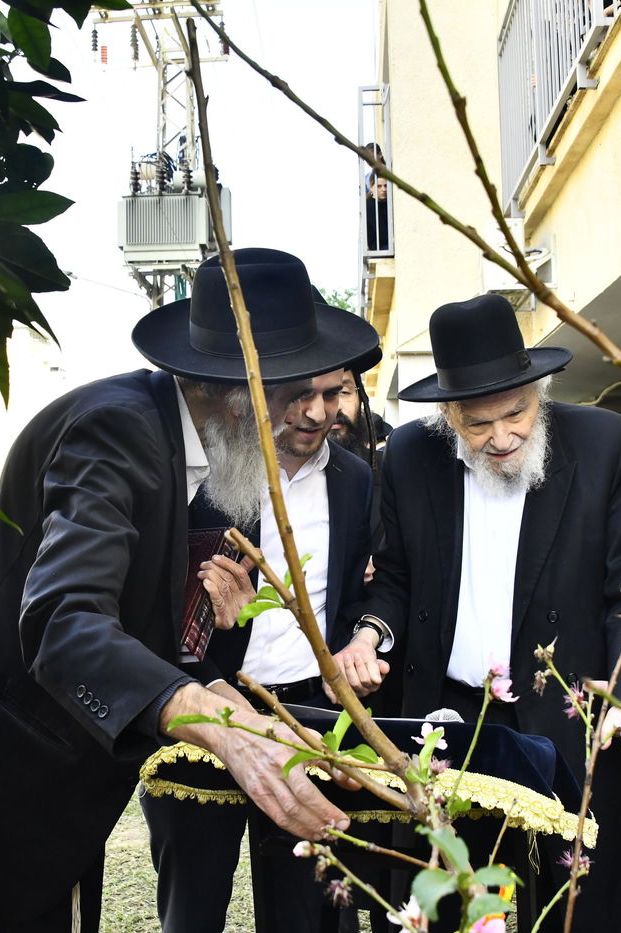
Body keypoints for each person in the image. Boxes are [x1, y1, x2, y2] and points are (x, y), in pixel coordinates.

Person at [0, 248, 383, 933]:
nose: (309, 413)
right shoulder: (115, 428)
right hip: (5, 770)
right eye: (291, 392)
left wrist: (229, 702)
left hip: (74, 771)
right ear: (236, 390)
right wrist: (217, 727)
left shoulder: (217, 455)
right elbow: (65, 622)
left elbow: (147, 616)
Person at [331, 294, 621, 933]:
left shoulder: (605, 445)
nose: (502, 437)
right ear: (447, 414)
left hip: (575, 725)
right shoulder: (407, 456)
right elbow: (395, 578)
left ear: (539, 390)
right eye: (477, 423)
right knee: (452, 905)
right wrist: (371, 634)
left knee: (582, 909)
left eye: (516, 413)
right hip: (450, 723)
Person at [141, 362, 377, 933]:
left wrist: (364, 636)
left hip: (308, 718)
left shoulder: (357, 479)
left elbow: (368, 587)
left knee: (310, 905)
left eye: (332, 393)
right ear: (252, 396)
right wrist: (208, 616)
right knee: (192, 904)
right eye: (298, 395)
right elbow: (145, 597)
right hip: (205, 709)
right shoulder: (198, 473)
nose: (317, 413)